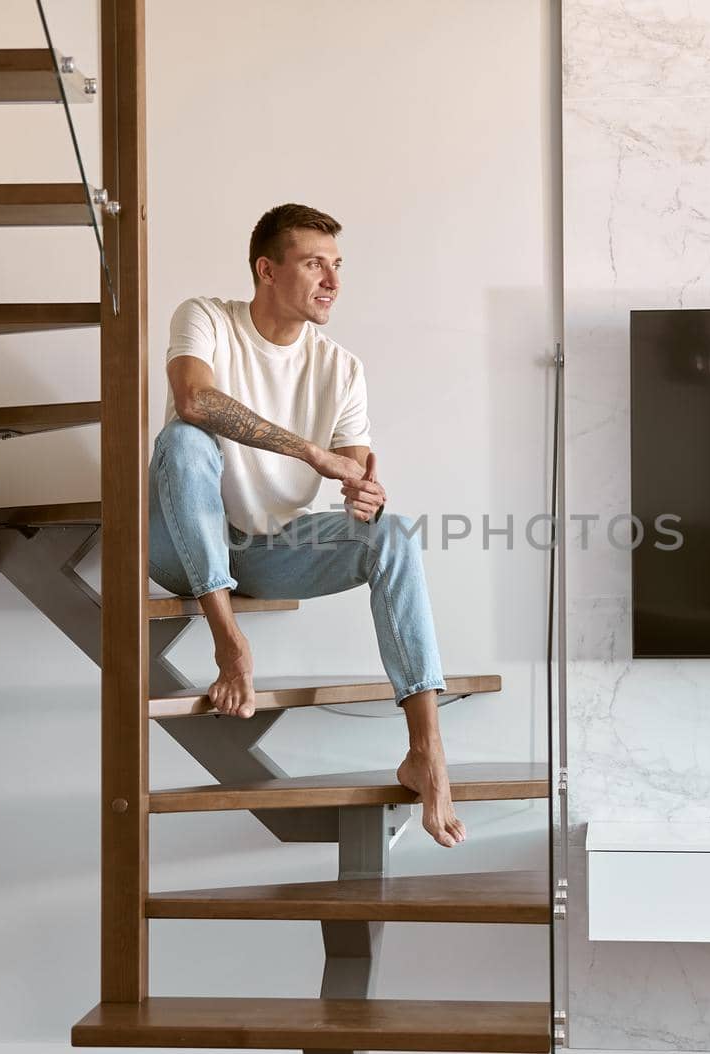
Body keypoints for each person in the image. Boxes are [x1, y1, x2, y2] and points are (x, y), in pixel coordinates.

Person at [147, 203, 467, 848]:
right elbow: (194, 399)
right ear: (267, 270)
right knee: (185, 439)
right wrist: (309, 452)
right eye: (315, 263)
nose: (332, 281)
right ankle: (230, 642)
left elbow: (352, 463)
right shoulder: (206, 317)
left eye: (337, 265)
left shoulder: (340, 367)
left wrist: (365, 492)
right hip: (179, 544)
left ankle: (425, 750)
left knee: (395, 535)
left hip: (268, 549)